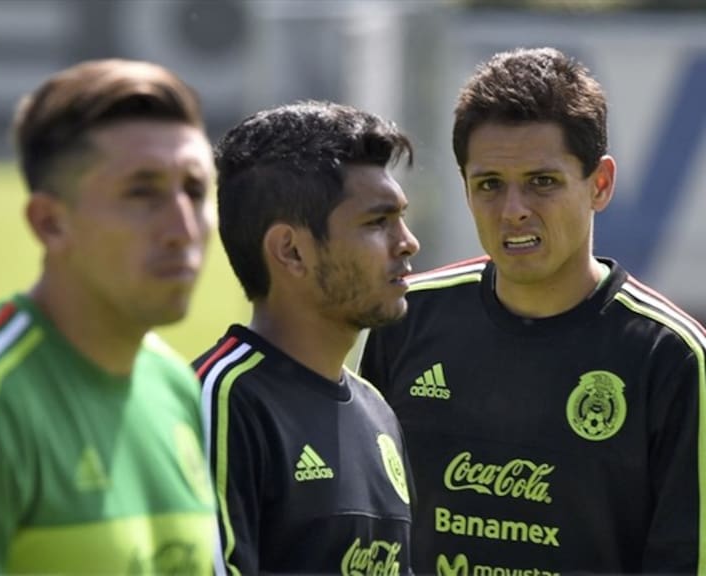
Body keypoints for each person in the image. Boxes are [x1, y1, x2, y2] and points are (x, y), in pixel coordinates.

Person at [358, 46, 706, 575]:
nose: (514, 210)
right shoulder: (409, 319)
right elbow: (372, 528)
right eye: (490, 185)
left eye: (542, 182)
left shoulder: (670, 356)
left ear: (601, 185)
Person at [0, 58, 217, 574]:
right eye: (142, 192)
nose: (183, 226)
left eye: (195, 191)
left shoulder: (176, 385)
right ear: (50, 224)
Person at [193, 100, 420, 575]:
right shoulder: (220, 402)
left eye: (400, 218)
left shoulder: (377, 413)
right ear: (291, 251)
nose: (407, 242)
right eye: (377, 222)